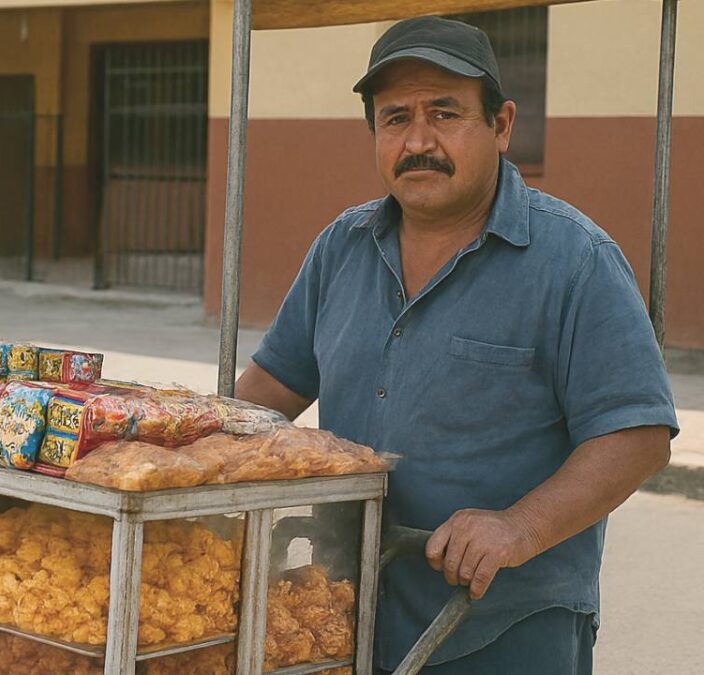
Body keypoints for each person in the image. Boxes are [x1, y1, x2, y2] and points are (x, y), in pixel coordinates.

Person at [235, 16, 677, 674]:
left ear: (501, 125)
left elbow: (637, 433)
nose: (418, 140)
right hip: (343, 619)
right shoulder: (342, 247)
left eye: (444, 113)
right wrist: (173, 454)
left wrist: (518, 526)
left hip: (503, 632)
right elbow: (267, 393)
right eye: (395, 118)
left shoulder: (573, 259)